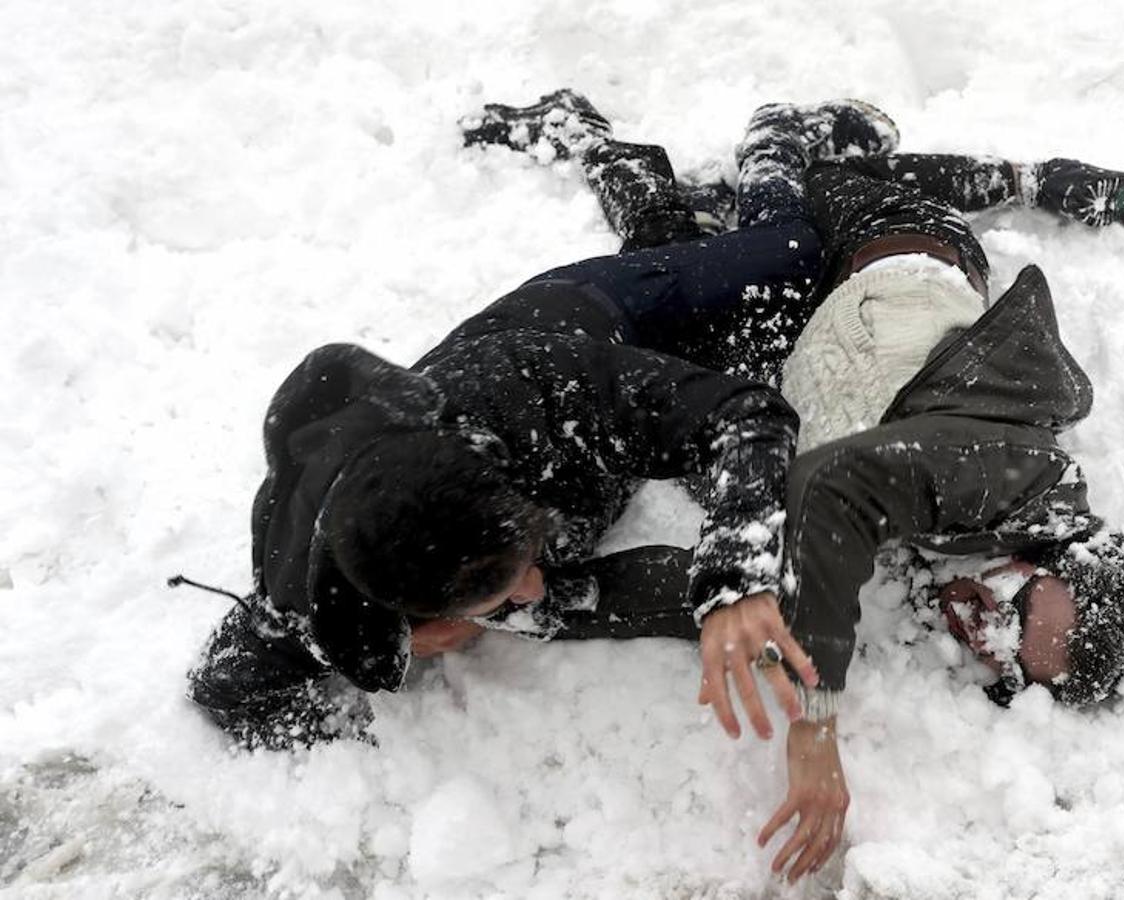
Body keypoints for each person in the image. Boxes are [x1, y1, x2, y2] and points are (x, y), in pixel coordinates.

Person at [455, 91, 1124, 883]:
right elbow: (832, 485)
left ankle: (643, 174)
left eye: (1008, 665)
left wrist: (530, 600)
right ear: (1064, 553)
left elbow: (771, 570)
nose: (987, 635)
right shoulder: (1009, 474)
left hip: (805, 347)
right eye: (1016, 615)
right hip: (867, 241)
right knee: (777, 193)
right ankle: (780, 129)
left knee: (671, 258)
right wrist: (814, 725)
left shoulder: (989, 539)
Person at [185, 93, 904, 753]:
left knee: (793, 258)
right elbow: (227, 685)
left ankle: (692, 149)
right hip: (552, 425)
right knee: (684, 249)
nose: (531, 590)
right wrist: (379, 676)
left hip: (594, 317)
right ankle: (647, 198)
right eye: (501, 595)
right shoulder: (313, 588)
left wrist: (732, 580)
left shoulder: (544, 392)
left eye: (521, 569)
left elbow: (744, 416)